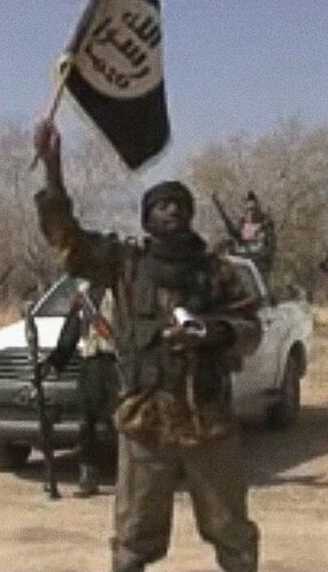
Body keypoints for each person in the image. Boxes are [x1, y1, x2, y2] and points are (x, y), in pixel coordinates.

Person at [33, 119, 262, 572]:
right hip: (145, 421)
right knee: (135, 538)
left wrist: (214, 332)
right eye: (161, 205)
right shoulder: (126, 264)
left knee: (231, 532)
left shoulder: (217, 271)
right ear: (147, 218)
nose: (172, 211)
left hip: (209, 419)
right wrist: (53, 170)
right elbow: (68, 241)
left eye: (179, 204)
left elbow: (250, 327)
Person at [43, 280, 118, 498]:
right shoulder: (84, 293)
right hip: (91, 364)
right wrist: (56, 361)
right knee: (87, 424)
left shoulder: (123, 287)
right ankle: (88, 477)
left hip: (118, 363)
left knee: (121, 423)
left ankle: (128, 479)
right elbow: (71, 331)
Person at [234, 191, 275, 274]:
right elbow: (235, 245)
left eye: (253, 210)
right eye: (248, 210)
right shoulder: (242, 224)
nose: (251, 213)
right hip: (242, 266)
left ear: (258, 209)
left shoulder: (265, 225)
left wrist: (242, 250)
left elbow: (263, 249)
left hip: (260, 268)